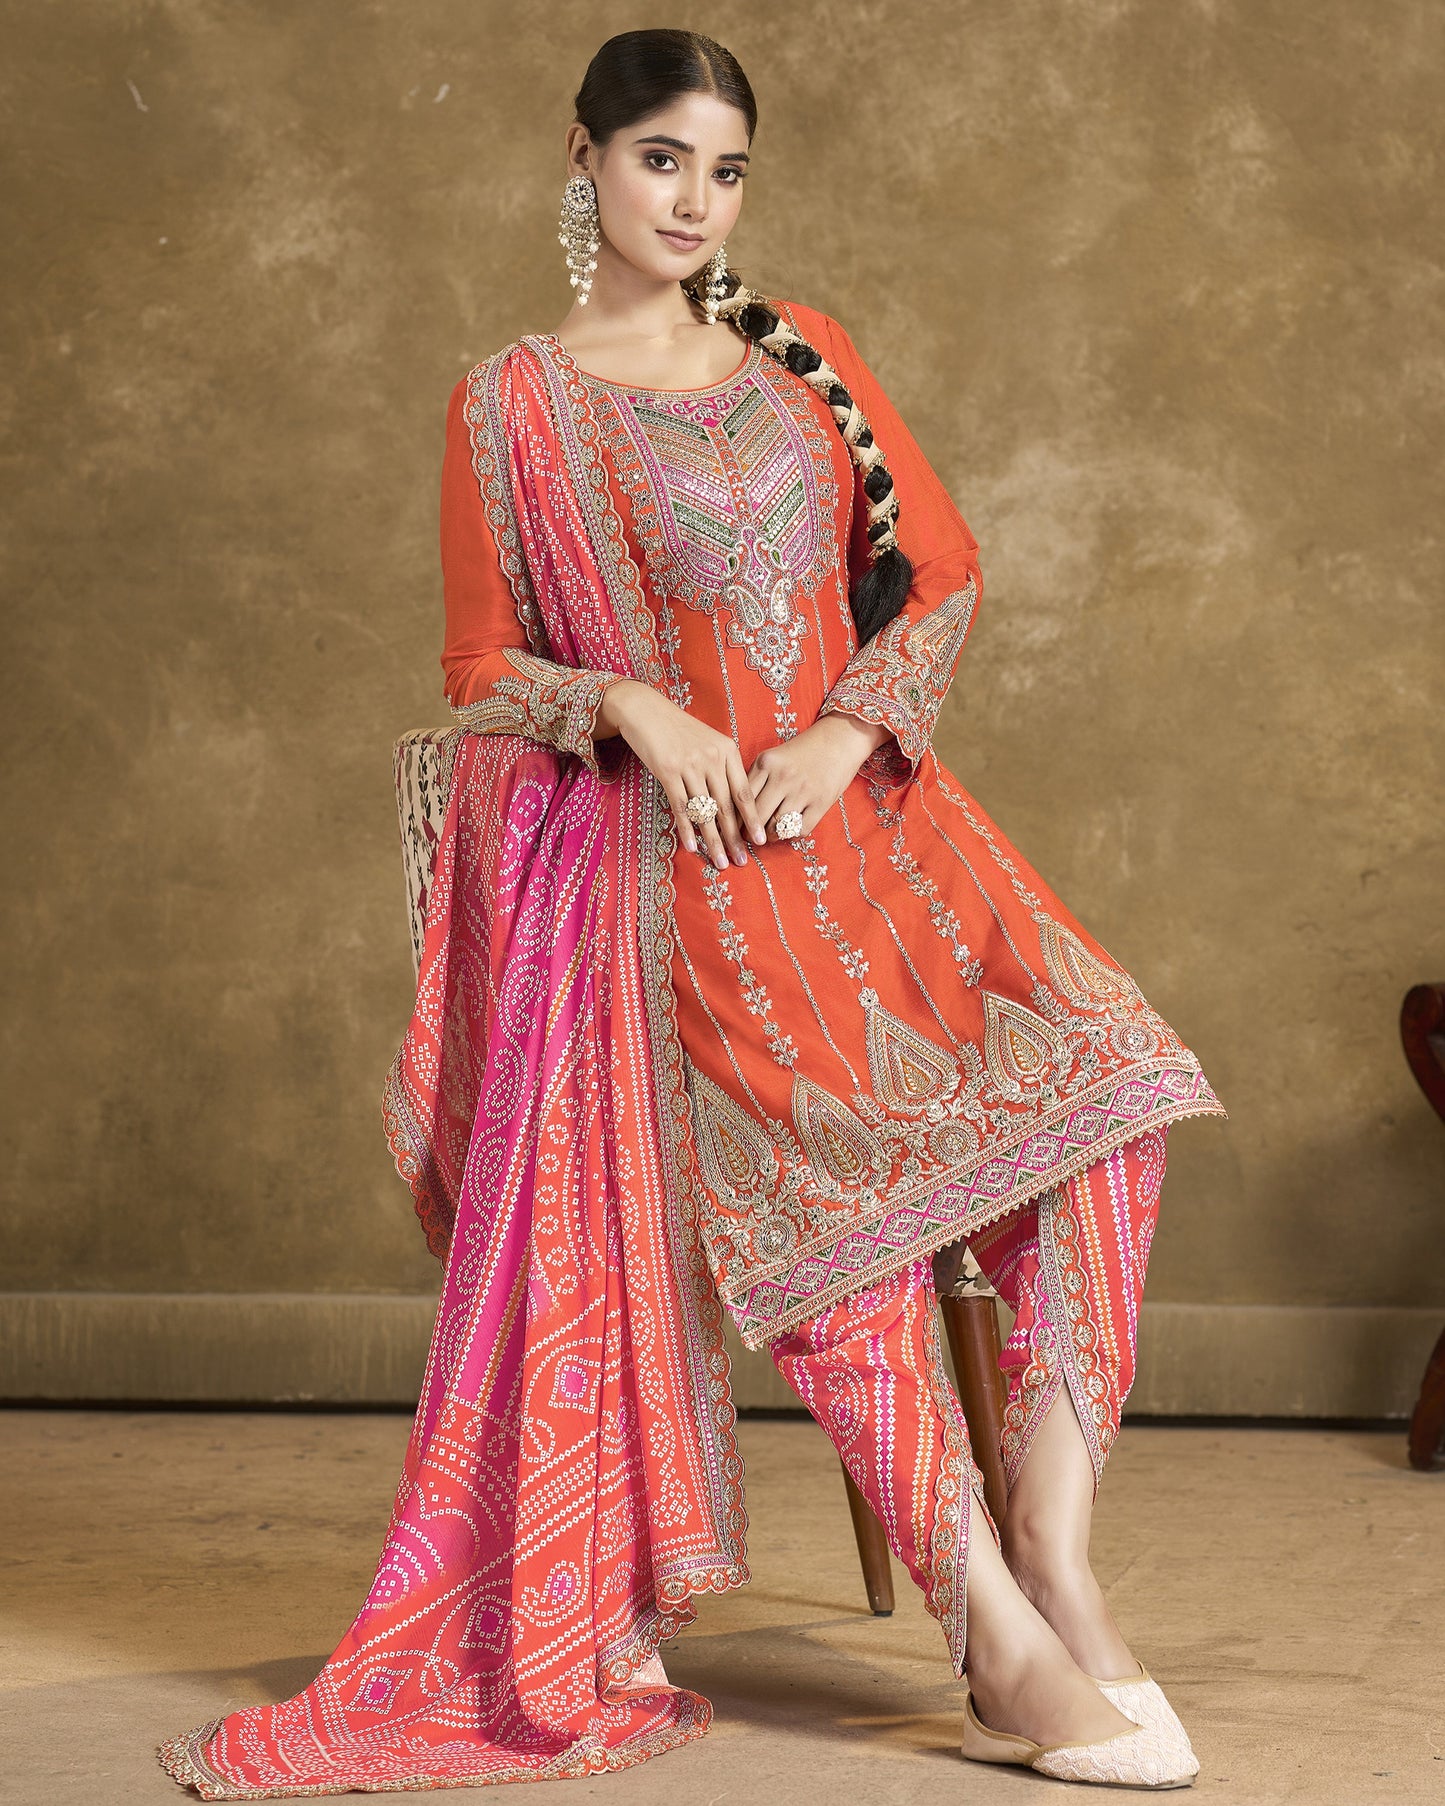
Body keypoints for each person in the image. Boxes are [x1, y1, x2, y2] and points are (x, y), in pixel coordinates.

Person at [159, 28, 1226, 1800]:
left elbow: (940, 572)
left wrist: (835, 728)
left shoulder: (802, 362)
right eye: (660, 161)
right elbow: (479, 664)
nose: (692, 202)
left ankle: (1053, 1547)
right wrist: (630, 709)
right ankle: (993, 1633)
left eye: (723, 171)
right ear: (579, 159)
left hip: (874, 827)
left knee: (1119, 1099)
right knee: (834, 1221)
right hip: (683, 880)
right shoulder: (508, 401)